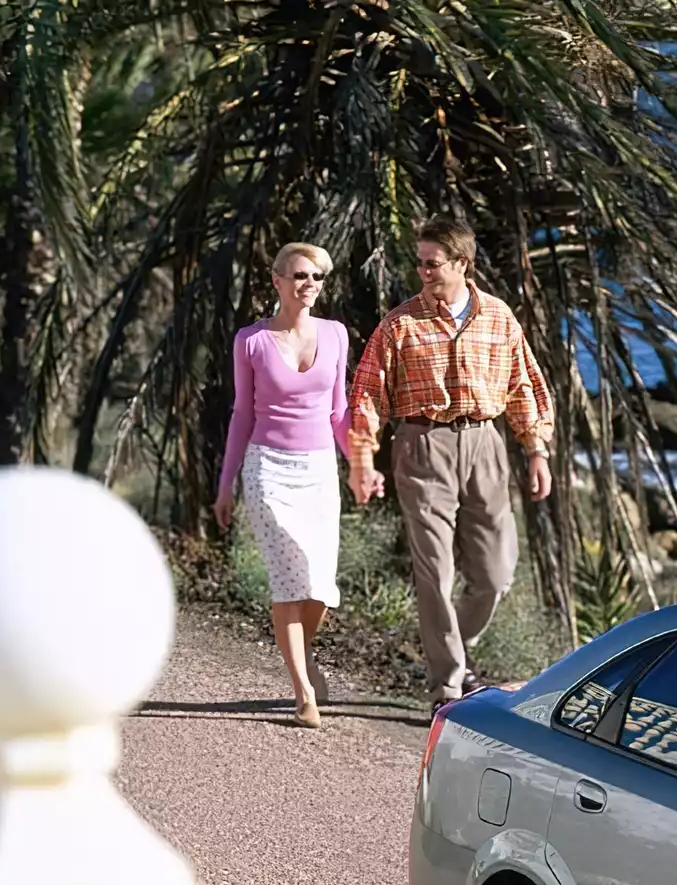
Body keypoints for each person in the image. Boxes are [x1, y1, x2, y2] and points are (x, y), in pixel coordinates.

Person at [346, 215, 556, 709]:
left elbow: (524, 385)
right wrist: (362, 459)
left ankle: (451, 647)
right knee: (435, 572)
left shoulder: (499, 317)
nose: (422, 271)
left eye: (432, 263)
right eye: (419, 263)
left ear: (462, 263)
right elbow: (367, 395)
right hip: (423, 446)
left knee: (496, 574)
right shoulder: (400, 324)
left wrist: (537, 451)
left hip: (485, 445)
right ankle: (447, 687)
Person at [214, 241, 354, 729]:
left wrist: (360, 463)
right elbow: (242, 415)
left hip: (319, 470)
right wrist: (226, 484)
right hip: (267, 468)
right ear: (277, 281)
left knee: (320, 586)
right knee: (289, 578)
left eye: (316, 277)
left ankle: (302, 653)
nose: (309, 284)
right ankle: (302, 693)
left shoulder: (335, 334)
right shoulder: (251, 341)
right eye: (299, 275)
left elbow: (339, 411)